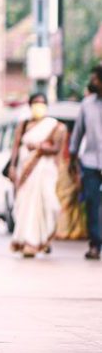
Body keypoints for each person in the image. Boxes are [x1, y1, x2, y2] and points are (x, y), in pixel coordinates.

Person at [8, 92, 66, 257]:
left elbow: (56, 148)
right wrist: (12, 166)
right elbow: (16, 147)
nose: (38, 106)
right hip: (25, 171)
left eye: (41, 103)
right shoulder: (24, 124)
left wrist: (40, 147)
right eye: (35, 103)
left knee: (48, 204)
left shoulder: (55, 126)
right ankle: (28, 242)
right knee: (25, 205)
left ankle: (41, 239)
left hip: (45, 170)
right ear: (30, 105)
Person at [70, 65, 102, 260]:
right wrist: (73, 158)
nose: (93, 83)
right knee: (92, 204)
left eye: (96, 79)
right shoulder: (86, 104)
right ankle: (95, 244)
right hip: (90, 163)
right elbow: (77, 134)